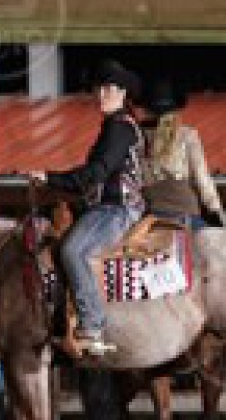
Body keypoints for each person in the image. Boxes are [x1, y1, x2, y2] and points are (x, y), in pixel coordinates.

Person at [25, 60, 146, 358]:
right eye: (99, 88)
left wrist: (50, 178)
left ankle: (92, 325)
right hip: (106, 208)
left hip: (116, 210)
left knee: (72, 250)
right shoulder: (117, 128)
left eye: (109, 88)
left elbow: (95, 174)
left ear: (123, 93)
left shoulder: (119, 128)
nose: (101, 94)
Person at [140, 78, 226, 229]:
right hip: (185, 211)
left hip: (149, 213)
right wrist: (218, 212)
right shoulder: (186, 134)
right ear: (175, 109)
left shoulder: (135, 135)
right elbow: (201, 177)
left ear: (146, 109)